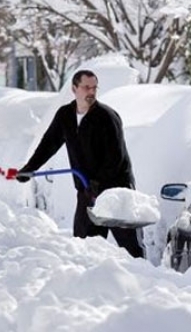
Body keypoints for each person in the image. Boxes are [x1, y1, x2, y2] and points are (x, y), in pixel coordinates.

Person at [16, 70, 144, 258]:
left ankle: (144, 279)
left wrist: (98, 183)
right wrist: (30, 168)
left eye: (94, 87)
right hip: (86, 189)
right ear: (74, 89)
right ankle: (88, 281)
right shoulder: (65, 115)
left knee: (130, 247)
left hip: (116, 189)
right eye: (86, 87)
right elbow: (49, 143)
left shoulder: (106, 117)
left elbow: (115, 158)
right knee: (83, 245)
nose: (91, 92)